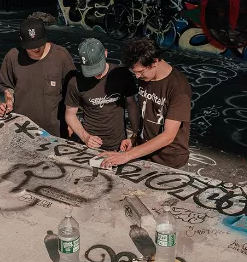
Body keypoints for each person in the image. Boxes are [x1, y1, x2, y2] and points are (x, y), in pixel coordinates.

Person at [99, 37, 192, 169]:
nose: (137, 77)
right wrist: (135, 137)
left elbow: (168, 136)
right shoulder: (145, 76)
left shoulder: (178, 88)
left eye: (140, 72)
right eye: (134, 72)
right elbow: (146, 112)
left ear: (154, 62)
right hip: (144, 155)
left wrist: (127, 156)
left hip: (169, 162)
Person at [0, 18, 75, 137]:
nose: (36, 49)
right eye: (31, 46)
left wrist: (71, 122)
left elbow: (73, 91)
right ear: (21, 40)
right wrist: (9, 101)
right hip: (22, 129)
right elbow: (7, 86)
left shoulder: (61, 56)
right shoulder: (12, 57)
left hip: (54, 131)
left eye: (39, 44)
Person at [64, 38, 140, 151]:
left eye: (98, 68)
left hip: (118, 144)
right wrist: (85, 137)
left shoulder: (122, 74)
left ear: (105, 53)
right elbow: (70, 114)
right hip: (89, 145)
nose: (96, 74)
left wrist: (135, 135)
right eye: (91, 70)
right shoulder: (76, 82)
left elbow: (132, 105)